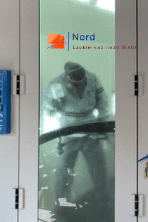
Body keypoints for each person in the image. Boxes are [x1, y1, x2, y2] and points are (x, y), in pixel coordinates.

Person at [42, 62, 110, 204]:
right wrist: (53, 106)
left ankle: (104, 202)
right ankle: (62, 207)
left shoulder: (92, 79)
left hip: (90, 132)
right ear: (67, 77)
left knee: (99, 171)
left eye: (83, 81)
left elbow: (103, 102)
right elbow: (46, 110)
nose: (81, 85)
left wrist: (102, 124)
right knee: (63, 174)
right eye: (76, 83)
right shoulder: (55, 85)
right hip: (68, 134)